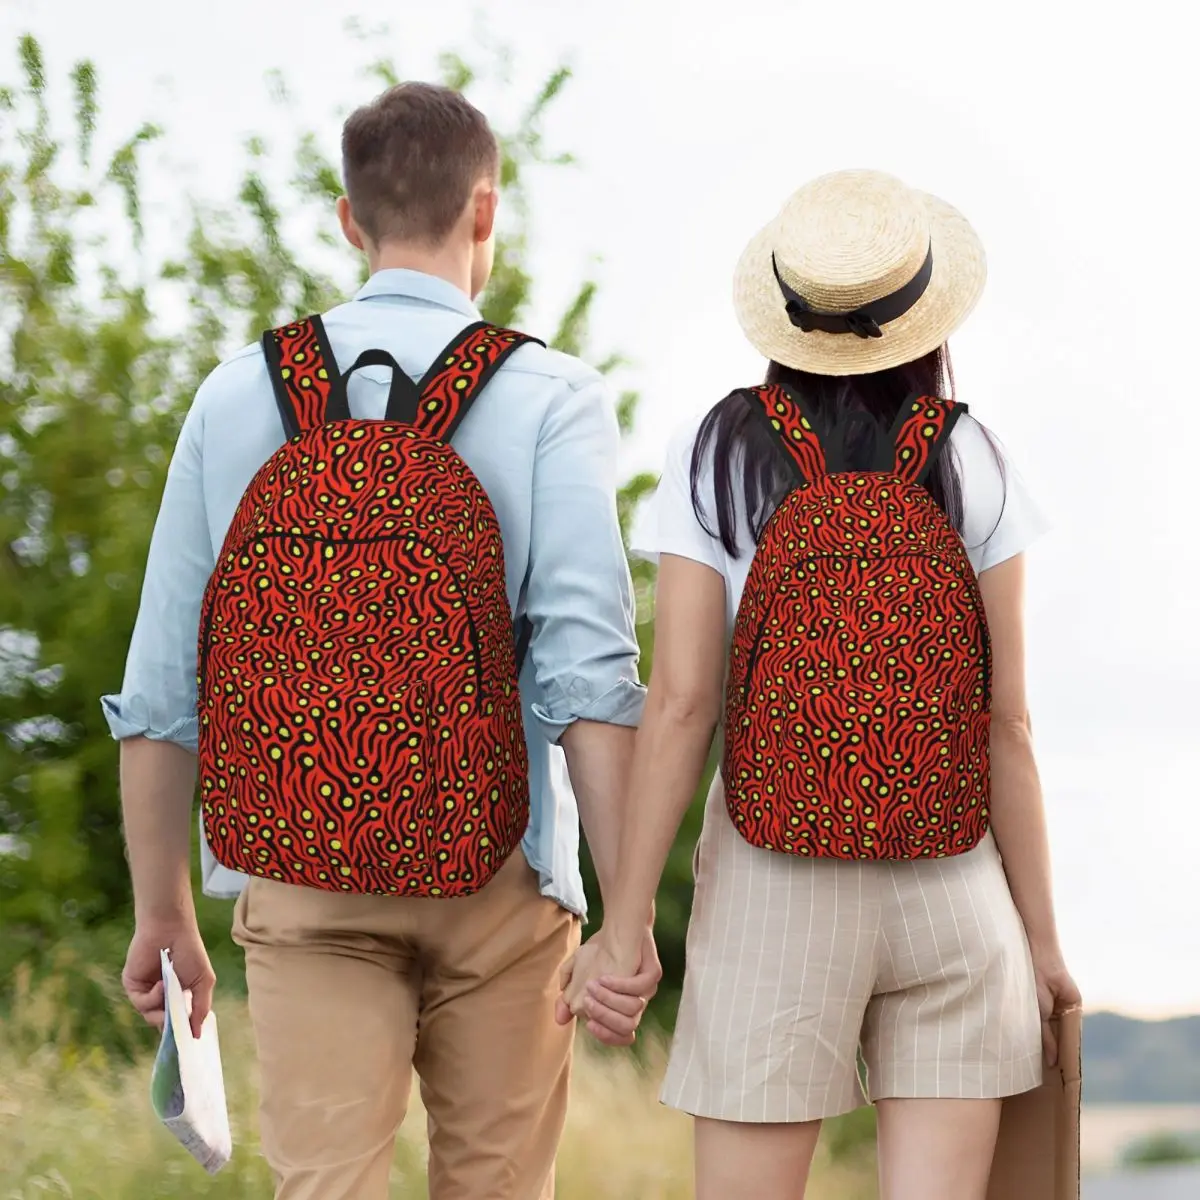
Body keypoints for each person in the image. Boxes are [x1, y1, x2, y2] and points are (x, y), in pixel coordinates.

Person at [104, 81, 661, 1200]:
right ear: (486, 213)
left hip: (301, 875)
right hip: (501, 873)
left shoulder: (235, 396)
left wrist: (162, 909)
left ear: (350, 220)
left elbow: (165, 683)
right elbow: (588, 678)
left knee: (325, 1186)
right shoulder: (550, 394)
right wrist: (627, 915)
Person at [560, 169, 1081, 1200]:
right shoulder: (973, 456)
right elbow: (1007, 724)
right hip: (954, 885)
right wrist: (1043, 943)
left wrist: (624, 927)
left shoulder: (716, 452)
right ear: (925, 316)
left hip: (772, 882)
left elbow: (681, 705)